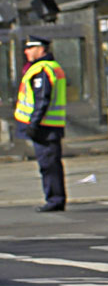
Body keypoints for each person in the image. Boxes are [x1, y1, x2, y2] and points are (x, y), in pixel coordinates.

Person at [13, 36, 67, 212]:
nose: (26, 52)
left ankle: (54, 200)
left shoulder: (42, 69)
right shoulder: (51, 67)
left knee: (48, 165)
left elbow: (42, 99)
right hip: (50, 125)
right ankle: (55, 198)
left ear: (41, 49)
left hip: (44, 127)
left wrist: (33, 123)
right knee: (51, 164)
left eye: (30, 48)